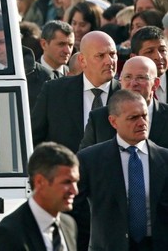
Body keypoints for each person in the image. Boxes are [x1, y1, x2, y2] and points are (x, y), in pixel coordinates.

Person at [72, 90, 168, 250]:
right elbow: (74, 210)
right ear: (113, 122)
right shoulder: (90, 160)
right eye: (133, 117)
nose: (142, 123)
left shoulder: (164, 159)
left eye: (145, 116)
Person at [32, 31, 120, 152]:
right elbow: (33, 139)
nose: (110, 61)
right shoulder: (54, 92)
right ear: (82, 60)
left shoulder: (126, 95)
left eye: (112, 54)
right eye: (100, 56)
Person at [0, 142, 78, 251]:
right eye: (66, 182)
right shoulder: (7, 237)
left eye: (76, 182)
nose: (75, 190)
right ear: (40, 182)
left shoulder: (68, 225)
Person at [80, 56, 168, 149]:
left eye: (141, 77)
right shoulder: (99, 118)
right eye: (128, 77)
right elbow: (85, 160)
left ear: (156, 84)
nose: (133, 83)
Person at [131, 26, 168, 103]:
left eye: (162, 50)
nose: (158, 57)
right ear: (134, 57)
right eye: (149, 52)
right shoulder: (128, 87)